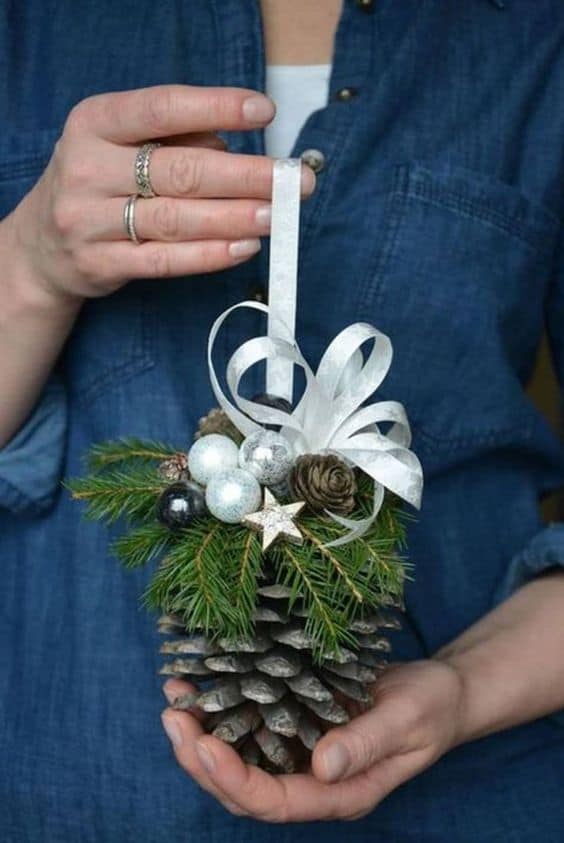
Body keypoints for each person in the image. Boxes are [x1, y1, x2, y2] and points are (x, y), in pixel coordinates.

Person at [1, 1, 564, 840]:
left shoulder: (536, 38)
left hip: (468, 803)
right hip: (65, 786)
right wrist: (30, 267)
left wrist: (465, 689)